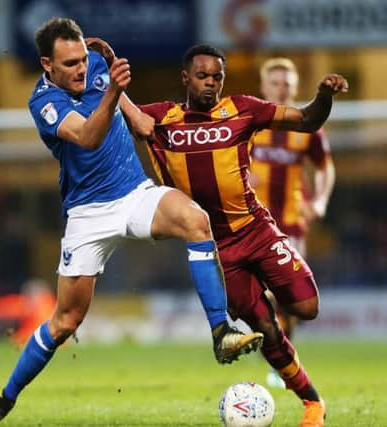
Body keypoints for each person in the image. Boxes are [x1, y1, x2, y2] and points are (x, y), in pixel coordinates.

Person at [0, 18, 262, 427]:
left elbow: (135, 121)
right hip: (88, 215)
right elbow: (87, 136)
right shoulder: (43, 102)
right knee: (65, 321)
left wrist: (138, 113)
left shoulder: (97, 65)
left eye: (84, 59)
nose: (82, 69)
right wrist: (114, 90)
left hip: (134, 193)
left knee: (196, 220)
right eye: (70, 64)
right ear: (47, 64)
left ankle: (220, 332)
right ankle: (4, 401)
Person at [121, 44, 347, 427]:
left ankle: (272, 306)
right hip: (216, 250)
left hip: (257, 230)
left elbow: (308, 120)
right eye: (203, 76)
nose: (210, 84)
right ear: (186, 78)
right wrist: (112, 81)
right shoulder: (160, 118)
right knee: (266, 328)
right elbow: (122, 114)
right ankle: (312, 402)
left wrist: (323, 96)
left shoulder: (243, 109)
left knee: (308, 308)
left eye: (217, 77)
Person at [249, 58, 336, 388]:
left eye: (287, 83)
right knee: (262, 296)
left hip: (291, 225)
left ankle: (281, 358)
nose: (281, 88)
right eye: (275, 83)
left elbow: (326, 167)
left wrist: (321, 200)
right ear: (264, 87)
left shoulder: (307, 127)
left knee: (285, 297)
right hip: (252, 224)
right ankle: (276, 353)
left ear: (296, 88)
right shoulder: (252, 124)